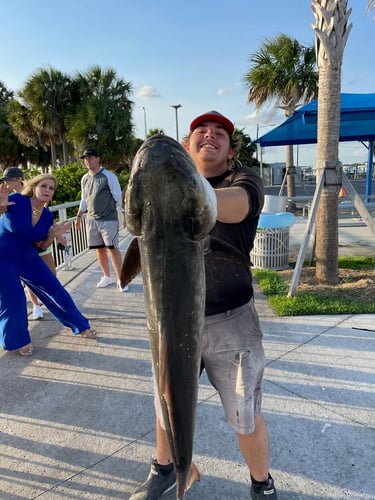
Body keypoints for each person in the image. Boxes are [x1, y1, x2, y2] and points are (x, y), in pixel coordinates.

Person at [130, 111, 277, 499]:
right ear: (187, 144)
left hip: (231, 321)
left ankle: (261, 483)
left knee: (246, 412)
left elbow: (240, 205)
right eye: (200, 131)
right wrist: (158, 194)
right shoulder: (160, 192)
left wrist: (186, 193)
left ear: (231, 150)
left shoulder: (242, 181)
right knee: (166, 401)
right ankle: (168, 470)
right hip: (166, 320)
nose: (209, 135)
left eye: (220, 133)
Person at [0, 174, 96, 357]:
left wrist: (53, 234)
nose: (47, 190)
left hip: (28, 257)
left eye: (51, 188)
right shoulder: (17, 200)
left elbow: (42, 246)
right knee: (14, 298)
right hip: (3, 256)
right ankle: (19, 340)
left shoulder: (47, 216)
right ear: (34, 187)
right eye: (43, 185)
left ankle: (81, 326)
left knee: (56, 289)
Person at [0, 167, 59, 320]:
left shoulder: (33, 196)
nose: (7, 184)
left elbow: (45, 216)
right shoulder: (11, 198)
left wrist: (55, 235)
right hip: (11, 250)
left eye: (9, 180)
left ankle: (50, 304)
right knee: (14, 293)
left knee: (51, 277)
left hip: (36, 242)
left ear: (19, 179)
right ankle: (36, 305)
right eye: (5, 181)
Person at [76, 148, 128, 292]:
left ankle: (121, 279)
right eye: (85, 159)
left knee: (113, 249)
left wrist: (125, 215)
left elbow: (118, 197)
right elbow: (84, 199)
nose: (87, 161)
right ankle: (106, 276)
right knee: (99, 250)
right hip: (92, 219)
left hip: (108, 219)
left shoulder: (108, 176)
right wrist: (79, 216)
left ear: (98, 159)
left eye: (90, 158)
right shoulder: (85, 178)